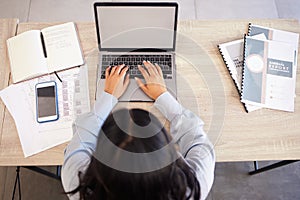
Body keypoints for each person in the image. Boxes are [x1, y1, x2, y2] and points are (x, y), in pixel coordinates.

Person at [61, 61, 215, 200]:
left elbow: (81, 138)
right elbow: (197, 140)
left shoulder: (78, 184)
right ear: (168, 152)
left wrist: (108, 96)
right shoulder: (193, 188)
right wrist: (163, 96)